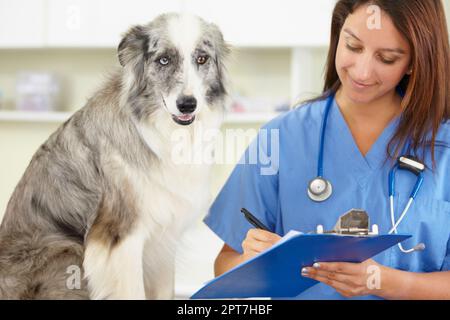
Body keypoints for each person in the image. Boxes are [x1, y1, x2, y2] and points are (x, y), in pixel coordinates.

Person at [204, 0, 450, 299]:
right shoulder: (281, 137)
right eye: (353, 46)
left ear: (414, 62)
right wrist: (249, 262)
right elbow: (224, 264)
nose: (362, 71)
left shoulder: (444, 145)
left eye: (386, 58)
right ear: (338, 34)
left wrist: (382, 281)